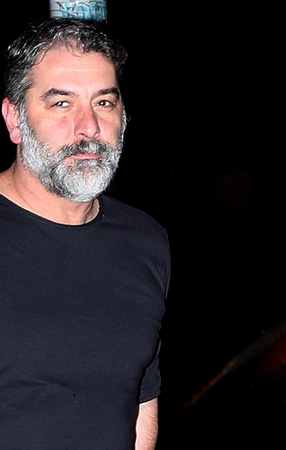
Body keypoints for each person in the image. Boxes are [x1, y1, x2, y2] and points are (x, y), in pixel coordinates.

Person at [0, 17, 170, 449]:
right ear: (15, 120)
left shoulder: (146, 241)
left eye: (104, 103)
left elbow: (141, 399)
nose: (89, 127)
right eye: (62, 103)